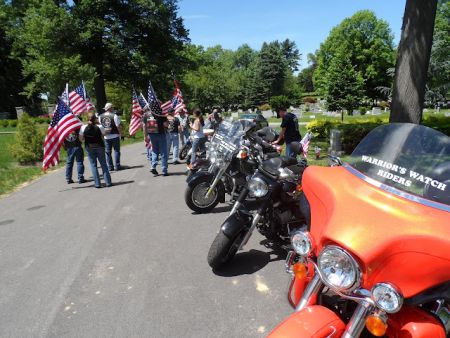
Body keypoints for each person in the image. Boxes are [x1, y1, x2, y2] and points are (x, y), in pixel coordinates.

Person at [79, 112, 112, 188]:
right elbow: (103, 135)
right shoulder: (100, 126)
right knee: (104, 164)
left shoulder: (83, 127)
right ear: (95, 119)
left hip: (89, 147)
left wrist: (85, 139)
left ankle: (97, 184)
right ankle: (108, 182)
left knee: (93, 166)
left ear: (87, 119)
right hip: (100, 146)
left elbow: (81, 139)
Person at [143, 107, 169, 176]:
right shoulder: (160, 114)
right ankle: (164, 170)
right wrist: (167, 121)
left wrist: (145, 136)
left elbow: (144, 126)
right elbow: (166, 125)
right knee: (163, 152)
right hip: (161, 134)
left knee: (154, 151)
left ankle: (153, 166)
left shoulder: (146, 115)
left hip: (152, 134)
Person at [98, 102, 122, 171]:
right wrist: (120, 134)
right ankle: (117, 166)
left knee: (108, 152)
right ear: (110, 108)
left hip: (106, 136)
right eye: (112, 107)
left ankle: (110, 167)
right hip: (115, 135)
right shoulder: (114, 116)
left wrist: (102, 135)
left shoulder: (100, 116)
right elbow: (118, 126)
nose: (113, 108)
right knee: (116, 151)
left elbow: (100, 127)